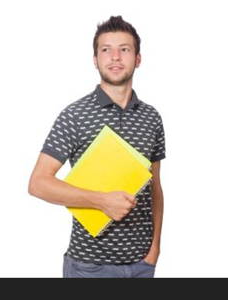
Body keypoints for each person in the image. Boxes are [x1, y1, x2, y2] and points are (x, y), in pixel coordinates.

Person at [28, 16, 165, 278]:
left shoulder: (152, 118)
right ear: (95, 60)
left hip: (142, 266)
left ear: (137, 59)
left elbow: (155, 187)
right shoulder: (75, 115)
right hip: (89, 267)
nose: (115, 57)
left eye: (124, 49)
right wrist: (101, 201)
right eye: (106, 50)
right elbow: (38, 183)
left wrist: (154, 249)